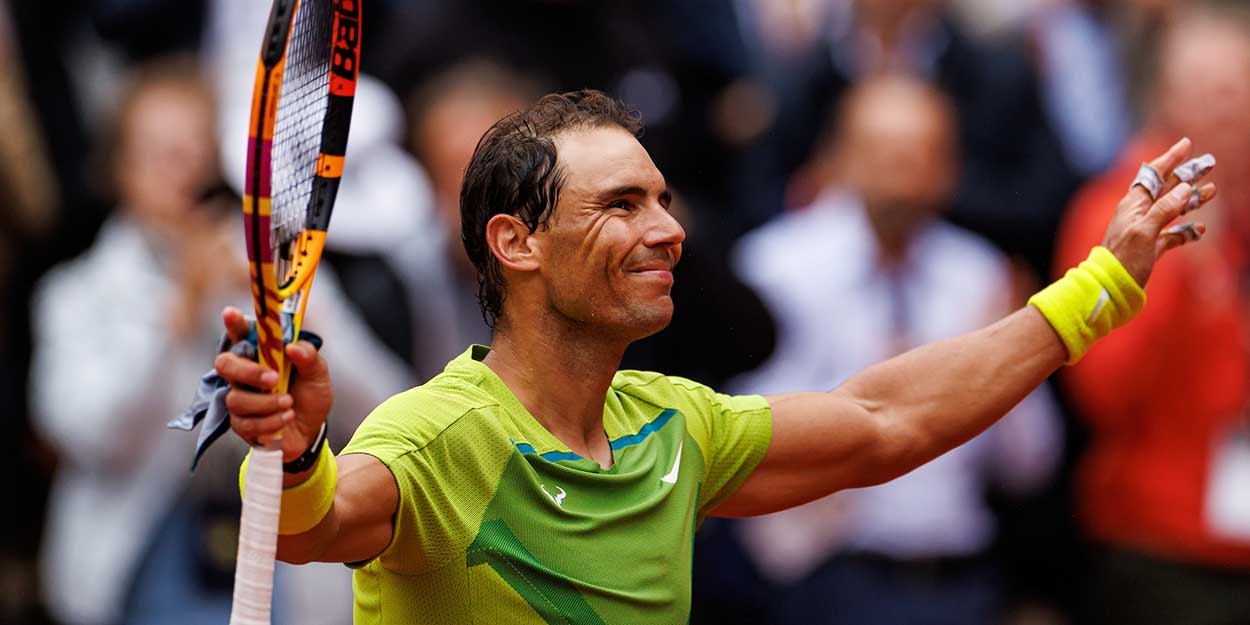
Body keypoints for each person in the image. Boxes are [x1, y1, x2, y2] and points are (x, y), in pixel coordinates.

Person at [214, 89, 1214, 623]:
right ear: (514, 243)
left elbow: (883, 421)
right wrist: (298, 457)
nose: (666, 230)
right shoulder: (436, 430)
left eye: (662, 198)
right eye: (620, 204)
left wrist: (1103, 282)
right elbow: (319, 527)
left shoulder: (671, 423)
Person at [29, 59, 409, 625]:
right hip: (137, 553)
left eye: (198, 152)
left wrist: (295, 309)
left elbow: (387, 402)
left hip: (275, 548)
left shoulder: (271, 267)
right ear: (120, 171)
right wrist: (175, 317)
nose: (186, 173)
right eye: (162, 155)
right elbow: (89, 434)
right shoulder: (77, 291)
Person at [730, 75, 1062, 625]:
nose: (904, 170)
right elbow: (740, 440)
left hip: (963, 578)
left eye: (924, 151)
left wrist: (1011, 357)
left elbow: (1029, 466)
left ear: (952, 166)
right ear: (841, 155)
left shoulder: (978, 275)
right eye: (884, 150)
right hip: (828, 575)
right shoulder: (778, 267)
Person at [1054, 5, 1250, 624]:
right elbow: (1102, 392)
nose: (1225, 109)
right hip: (1161, 545)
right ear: (1164, 100)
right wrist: (1183, 272)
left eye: (1238, 89)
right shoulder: (1112, 217)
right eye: (1205, 91)